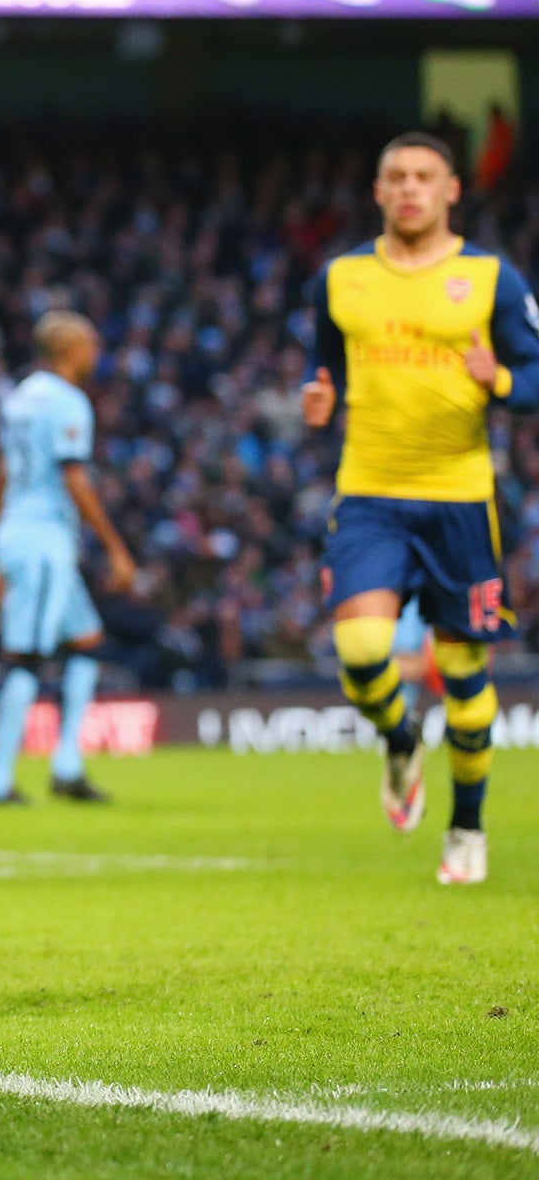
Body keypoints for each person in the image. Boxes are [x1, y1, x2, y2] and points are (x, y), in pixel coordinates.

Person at [302, 131, 539, 886]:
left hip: (460, 500)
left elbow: (535, 376)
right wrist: (321, 393)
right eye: (395, 177)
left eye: (423, 177)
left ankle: (466, 831)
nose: (409, 189)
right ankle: (401, 739)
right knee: (365, 653)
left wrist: (497, 379)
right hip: (369, 494)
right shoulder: (339, 281)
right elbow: (327, 363)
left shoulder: (490, 278)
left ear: (450, 190)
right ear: (378, 191)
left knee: (465, 681)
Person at [0, 312, 136, 807]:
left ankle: (67, 766)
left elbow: (2, 472)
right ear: (68, 349)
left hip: (19, 535)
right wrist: (116, 548)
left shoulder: (18, 398)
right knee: (26, 657)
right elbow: (75, 480)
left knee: (86, 641)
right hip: (44, 540)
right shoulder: (68, 402)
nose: (97, 353)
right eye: (90, 344)